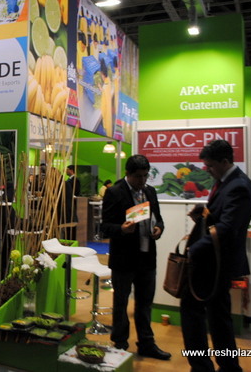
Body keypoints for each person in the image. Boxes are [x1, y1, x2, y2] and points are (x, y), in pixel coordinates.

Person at [181, 139, 251, 372]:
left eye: (211, 165)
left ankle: (203, 366)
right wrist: (204, 214)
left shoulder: (238, 186)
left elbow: (228, 228)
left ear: (225, 161)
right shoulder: (226, 182)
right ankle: (227, 366)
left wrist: (194, 249)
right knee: (218, 318)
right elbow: (221, 219)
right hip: (214, 263)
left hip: (215, 264)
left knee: (193, 313)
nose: (207, 170)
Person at [101, 154, 170, 360]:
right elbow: (105, 227)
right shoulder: (115, 192)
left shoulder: (150, 192)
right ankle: (120, 343)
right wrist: (121, 229)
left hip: (147, 257)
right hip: (124, 259)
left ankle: (147, 343)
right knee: (121, 303)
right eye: (138, 176)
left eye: (145, 176)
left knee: (145, 303)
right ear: (128, 174)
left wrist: (159, 229)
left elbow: (159, 220)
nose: (142, 180)